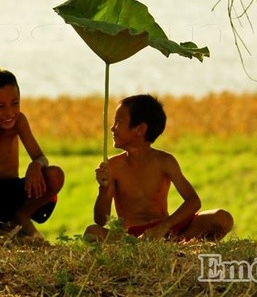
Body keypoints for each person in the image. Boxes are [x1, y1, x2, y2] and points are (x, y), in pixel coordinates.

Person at [84, 94, 233, 242]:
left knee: (223, 218)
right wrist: (103, 189)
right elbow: (101, 220)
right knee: (92, 232)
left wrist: (163, 226)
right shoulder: (113, 166)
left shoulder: (164, 161)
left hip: (169, 229)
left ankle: (176, 242)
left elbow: (193, 201)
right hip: (132, 236)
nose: (112, 128)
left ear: (140, 129)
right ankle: (144, 247)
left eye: (118, 122)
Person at [0, 67, 64, 239]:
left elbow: (40, 156)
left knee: (55, 175)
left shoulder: (19, 121)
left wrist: (36, 165)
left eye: (15, 103)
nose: (9, 113)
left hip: (13, 191)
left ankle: (22, 216)